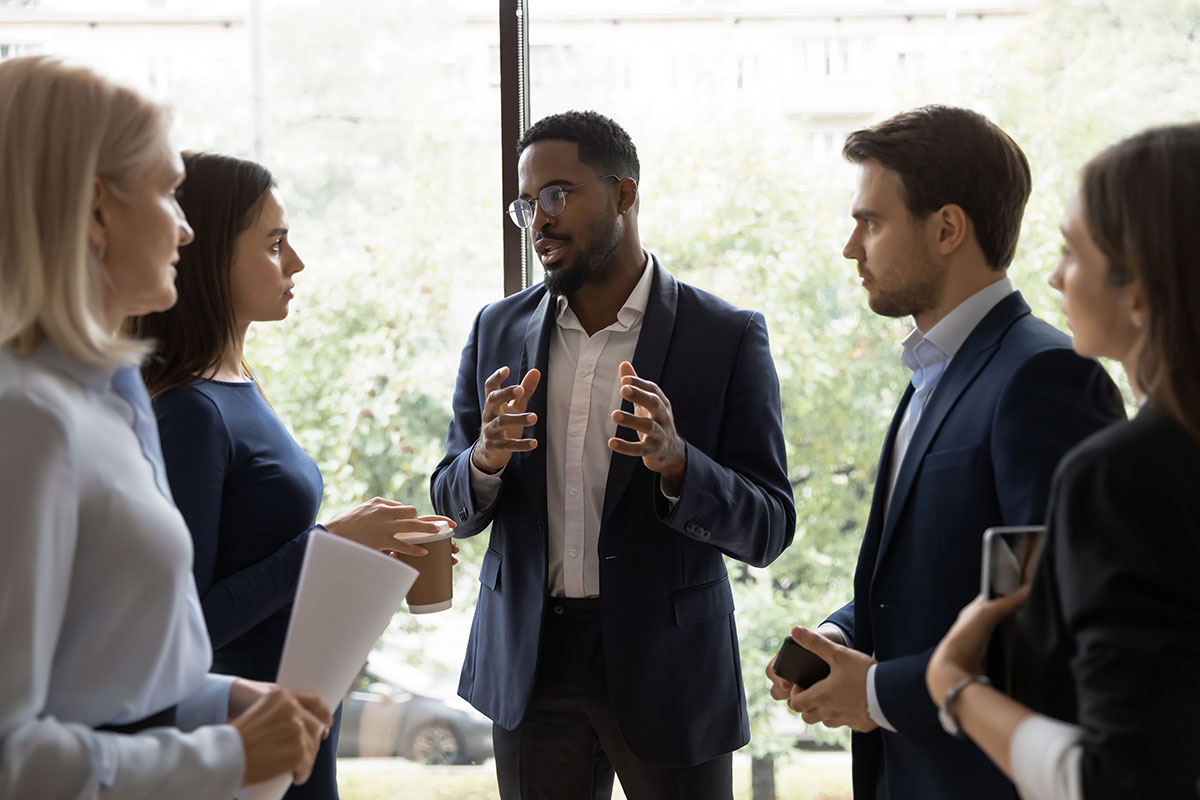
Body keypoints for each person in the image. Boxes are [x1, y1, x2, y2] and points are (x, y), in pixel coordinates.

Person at [430, 110, 795, 799]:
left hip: (671, 673)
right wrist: (483, 459)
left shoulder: (724, 337)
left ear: (624, 194)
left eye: (557, 194)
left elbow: (771, 525)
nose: (538, 219)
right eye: (526, 203)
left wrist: (679, 462)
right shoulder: (496, 329)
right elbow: (451, 502)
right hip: (531, 670)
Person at [764, 105, 1125, 800]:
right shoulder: (932, 374)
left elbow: (1046, 621)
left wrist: (874, 692)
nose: (850, 247)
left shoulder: (1044, 376)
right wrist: (843, 634)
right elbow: (939, 574)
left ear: (948, 228)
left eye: (870, 221)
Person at [0, 56, 331, 798]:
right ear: (95, 212)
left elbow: (104, 680)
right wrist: (224, 757)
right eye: (169, 193)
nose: (185, 230)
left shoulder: (113, 399)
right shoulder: (25, 420)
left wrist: (221, 701)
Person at [125, 151, 454, 799]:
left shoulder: (240, 386)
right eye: (275, 244)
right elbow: (187, 627)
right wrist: (328, 545)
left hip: (295, 715)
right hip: (243, 737)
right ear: (211, 254)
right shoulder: (191, 412)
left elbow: (269, 562)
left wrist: (350, 563)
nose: (295, 262)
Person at [926, 123, 1200, 799]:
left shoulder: (1123, 476)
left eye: (1071, 252)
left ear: (1140, 290)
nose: (1052, 276)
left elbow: (1123, 780)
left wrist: (954, 685)